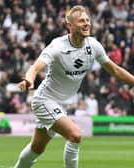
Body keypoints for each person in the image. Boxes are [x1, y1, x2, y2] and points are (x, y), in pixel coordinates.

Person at [14, 5, 134, 168]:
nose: (86, 24)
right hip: (44, 100)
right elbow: (35, 67)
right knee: (75, 134)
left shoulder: (93, 46)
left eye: (87, 20)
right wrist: (29, 79)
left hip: (61, 104)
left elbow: (116, 70)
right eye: (81, 21)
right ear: (70, 25)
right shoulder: (57, 46)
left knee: (37, 148)